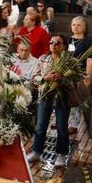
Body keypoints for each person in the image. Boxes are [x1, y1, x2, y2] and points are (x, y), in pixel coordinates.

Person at [28, 34, 76, 168]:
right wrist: (45, 78)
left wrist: (63, 80)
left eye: (58, 43)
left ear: (64, 46)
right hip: (45, 96)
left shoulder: (70, 62)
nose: (54, 45)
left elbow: (74, 84)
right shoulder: (43, 59)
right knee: (40, 125)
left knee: (61, 126)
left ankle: (61, 154)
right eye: (51, 42)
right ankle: (36, 151)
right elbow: (33, 78)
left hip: (62, 97)